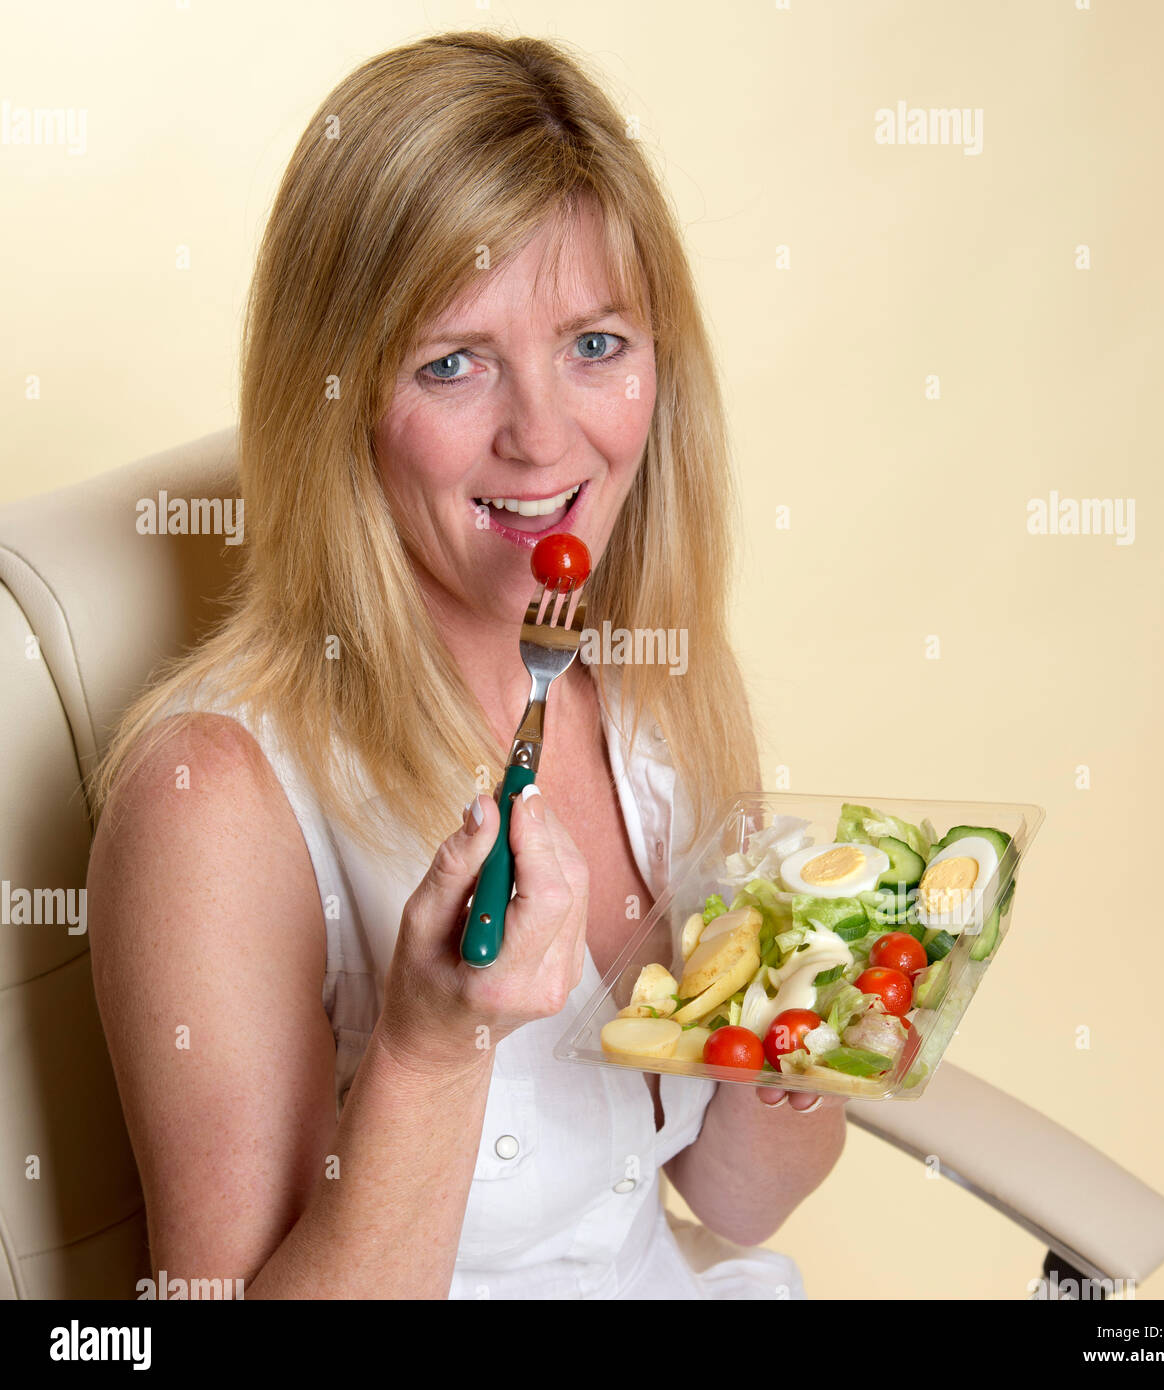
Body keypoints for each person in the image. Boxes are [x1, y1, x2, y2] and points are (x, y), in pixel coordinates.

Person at [86, 30, 846, 1300]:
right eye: (453, 363)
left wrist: (803, 1030)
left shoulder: (658, 689)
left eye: (595, 345)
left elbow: (728, 1191)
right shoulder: (211, 797)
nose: (544, 438)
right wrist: (431, 1054)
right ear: (335, 404)